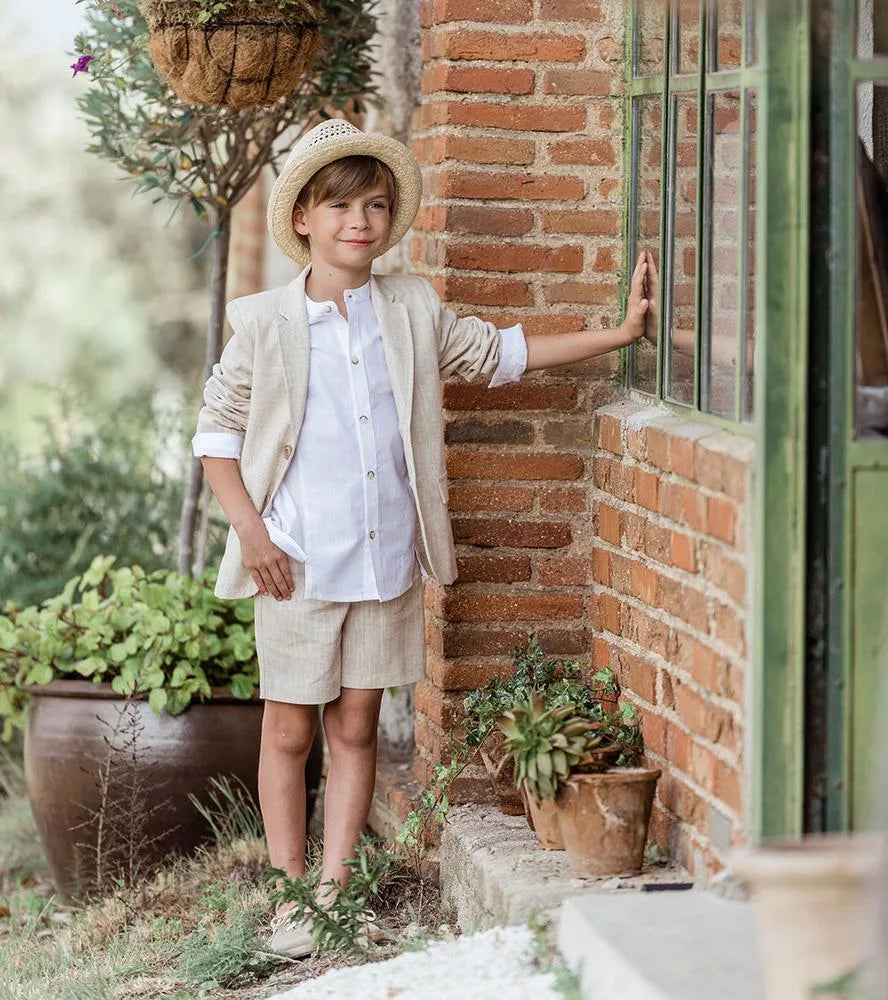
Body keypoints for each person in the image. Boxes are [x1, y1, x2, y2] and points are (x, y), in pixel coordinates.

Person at [192, 118, 650, 957]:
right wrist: (253, 535)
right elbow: (216, 436)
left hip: (382, 559)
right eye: (339, 207)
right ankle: (291, 893)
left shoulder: (411, 307)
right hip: (293, 562)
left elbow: (498, 353)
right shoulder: (263, 322)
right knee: (289, 731)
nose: (358, 221)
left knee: (358, 726)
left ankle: (336, 890)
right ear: (303, 219)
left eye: (373, 204)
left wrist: (615, 336)